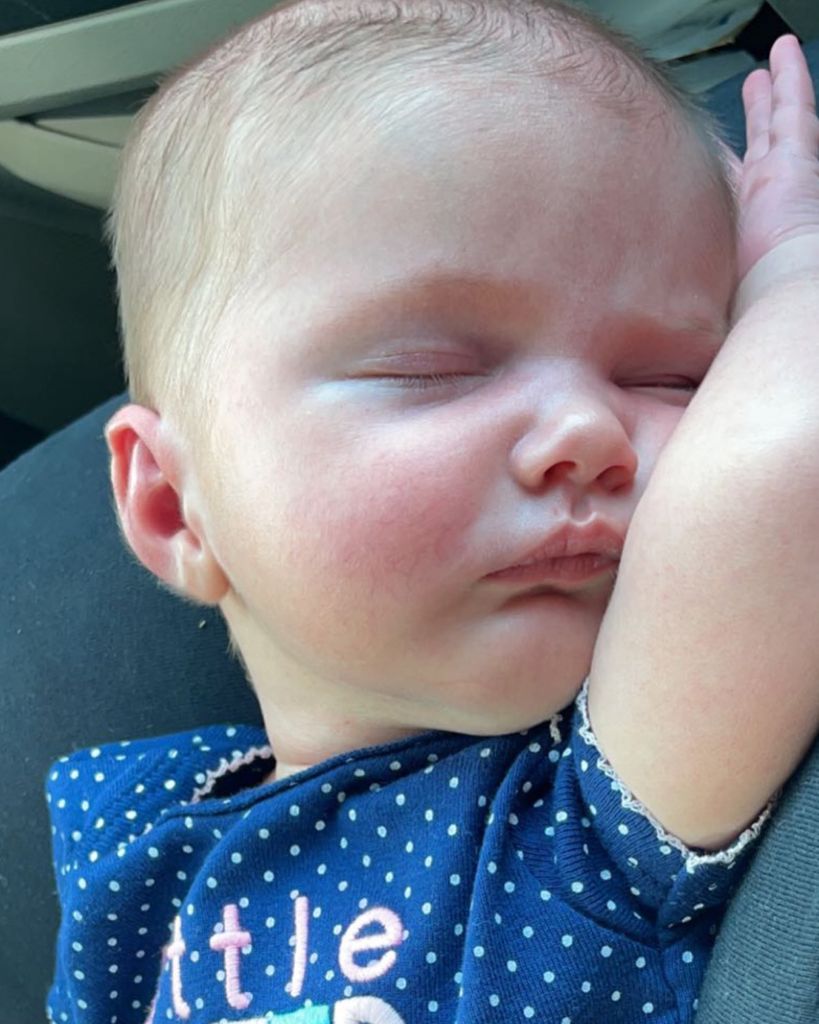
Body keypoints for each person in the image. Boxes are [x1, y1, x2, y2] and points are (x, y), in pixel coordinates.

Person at [44, 1, 819, 1021]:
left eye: (675, 377)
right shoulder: (134, 838)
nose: (588, 428)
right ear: (172, 507)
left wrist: (789, 267)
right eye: (431, 369)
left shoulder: (588, 803)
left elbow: (774, 474)